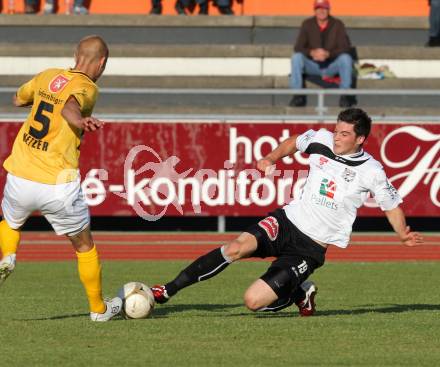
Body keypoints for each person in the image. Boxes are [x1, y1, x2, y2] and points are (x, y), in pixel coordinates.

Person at [150, 108, 424, 316]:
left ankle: (299, 292)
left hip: (309, 247)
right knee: (235, 247)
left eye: (344, 134)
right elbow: (294, 142)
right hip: (287, 220)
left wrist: (402, 234)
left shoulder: (372, 171)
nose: (337, 138)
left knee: (253, 302)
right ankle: (167, 290)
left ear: (360, 138)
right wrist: (270, 158)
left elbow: (391, 205)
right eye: (336, 130)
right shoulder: (321, 139)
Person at [0, 35, 122, 322]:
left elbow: (18, 98)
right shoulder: (88, 88)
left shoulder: (47, 75)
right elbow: (70, 103)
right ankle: (98, 309)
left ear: (75, 53)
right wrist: (78, 120)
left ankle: (8, 256)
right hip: (57, 183)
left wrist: (42, 98)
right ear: (102, 62)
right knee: (83, 246)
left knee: (10, 222)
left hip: (20, 175)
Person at [289, 0, 355, 108]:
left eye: (324, 8)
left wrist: (328, 54)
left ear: (328, 10)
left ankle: (345, 96)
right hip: (313, 65)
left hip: (332, 65)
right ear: (315, 10)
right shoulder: (307, 24)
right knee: (296, 58)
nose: (321, 11)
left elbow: (345, 47)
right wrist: (312, 52)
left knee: (346, 58)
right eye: (319, 8)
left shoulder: (338, 24)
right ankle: (298, 96)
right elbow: (298, 47)